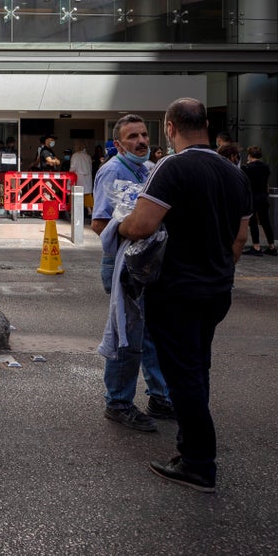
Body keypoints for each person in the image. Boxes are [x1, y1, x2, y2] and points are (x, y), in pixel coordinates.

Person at [119, 98, 251, 493]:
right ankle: (191, 450)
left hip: (178, 291)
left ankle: (198, 462)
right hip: (217, 289)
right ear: (206, 125)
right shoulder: (234, 173)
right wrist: (219, 270)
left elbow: (142, 225)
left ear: (170, 128)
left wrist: (119, 227)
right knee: (197, 367)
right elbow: (240, 238)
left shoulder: (172, 167)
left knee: (182, 376)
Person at [92, 114, 173, 432]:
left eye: (143, 135)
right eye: (132, 137)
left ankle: (160, 396)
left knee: (152, 333)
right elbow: (100, 223)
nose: (141, 141)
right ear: (118, 143)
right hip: (124, 266)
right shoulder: (112, 170)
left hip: (150, 263)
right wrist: (137, 230)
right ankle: (118, 402)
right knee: (127, 335)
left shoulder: (150, 169)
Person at [242, 146, 276, 256]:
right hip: (263, 196)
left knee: (253, 222)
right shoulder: (266, 167)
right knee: (265, 221)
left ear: (249, 155)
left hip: (252, 196)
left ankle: (256, 247)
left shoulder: (247, 168)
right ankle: (272, 247)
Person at [70, 140, 94, 217]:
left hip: (78, 177)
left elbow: (73, 168)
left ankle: (75, 211)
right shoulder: (88, 156)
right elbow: (90, 167)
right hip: (87, 177)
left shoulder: (75, 155)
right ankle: (90, 211)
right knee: (87, 194)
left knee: (76, 194)